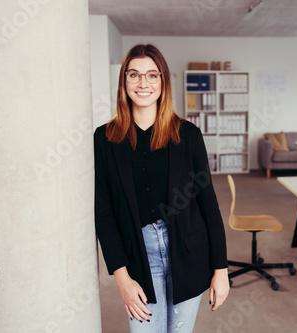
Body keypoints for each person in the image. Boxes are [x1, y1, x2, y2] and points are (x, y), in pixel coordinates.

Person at [94, 43, 229, 332]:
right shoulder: (104, 139)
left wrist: (221, 269)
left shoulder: (188, 135)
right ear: (124, 82)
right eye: (134, 75)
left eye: (152, 75)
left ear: (163, 82)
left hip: (189, 251)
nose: (143, 83)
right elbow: (103, 213)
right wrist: (122, 277)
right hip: (139, 256)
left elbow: (209, 205)